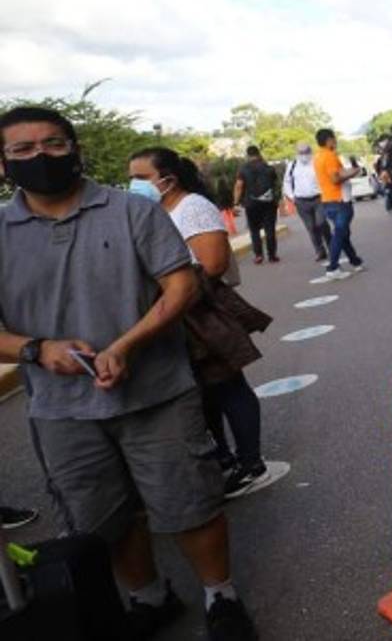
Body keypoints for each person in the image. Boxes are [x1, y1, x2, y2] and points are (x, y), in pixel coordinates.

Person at [0, 106, 257, 640]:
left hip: (159, 393)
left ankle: (220, 596)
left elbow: (181, 286)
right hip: (62, 411)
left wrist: (128, 344)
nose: (41, 157)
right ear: (3, 164)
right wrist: (35, 349)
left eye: (53, 144)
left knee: (191, 502)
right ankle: (149, 596)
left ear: (77, 150)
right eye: (23, 150)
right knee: (104, 517)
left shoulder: (131, 211)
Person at [128, 147, 271, 500]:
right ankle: (221, 457)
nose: (133, 185)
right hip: (173, 312)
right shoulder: (152, 211)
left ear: (168, 179)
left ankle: (250, 462)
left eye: (141, 178)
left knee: (227, 385)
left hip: (199, 311)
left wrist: (176, 294)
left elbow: (212, 264)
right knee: (200, 391)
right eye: (130, 177)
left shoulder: (192, 207)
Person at [313, 128, 365, 280]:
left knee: (343, 234)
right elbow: (336, 178)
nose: (335, 141)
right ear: (329, 140)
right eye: (334, 138)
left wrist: (349, 171)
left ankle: (355, 261)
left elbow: (338, 173)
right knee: (339, 233)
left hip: (328, 200)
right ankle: (333, 267)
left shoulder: (318, 157)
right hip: (339, 200)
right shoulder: (330, 156)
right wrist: (354, 172)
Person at [282, 142, 333, 262]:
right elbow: (287, 182)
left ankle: (332, 246)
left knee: (321, 223)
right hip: (301, 201)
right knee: (311, 227)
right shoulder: (292, 165)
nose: (303, 155)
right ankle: (320, 251)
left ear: (310, 152)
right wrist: (292, 197)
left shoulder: (316, 162)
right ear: (297, 153)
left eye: (306, 152)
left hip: (318, 198)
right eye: (301, 152)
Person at [232, 145, 278, 265]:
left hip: (251, 204)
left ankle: (258, 255)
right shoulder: (269, 168)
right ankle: (272, 255)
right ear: (259, 153)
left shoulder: (243, 169)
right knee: (270, 229)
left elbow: (239, 186)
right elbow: (274, 184)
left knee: (254, 230)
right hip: (268, 203)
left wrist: (236, 202)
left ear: (248, 155)